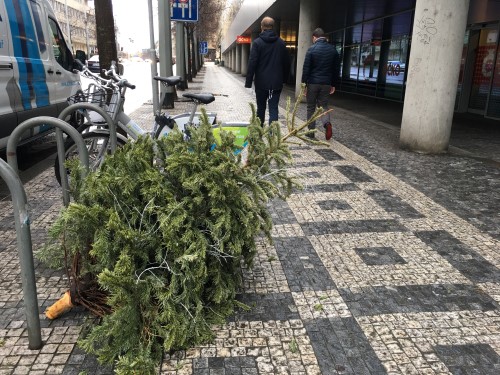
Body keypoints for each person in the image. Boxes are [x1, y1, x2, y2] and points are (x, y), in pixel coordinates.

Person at [245, 17, 290, 126]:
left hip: (261, 83)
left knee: (261, 108)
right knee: (274, 108)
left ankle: (259, 132)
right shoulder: (281, 43)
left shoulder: (257, 43)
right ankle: (273, 135)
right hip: (276, 83)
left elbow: (252, 63)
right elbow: (287, 63)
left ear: (262, 27)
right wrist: (284, 80)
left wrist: (248, 82)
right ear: (272, 27)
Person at [301, 28, 340, 140]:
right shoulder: (333, 50)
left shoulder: (311, 49)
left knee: (310, 107)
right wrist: (333, 84)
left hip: (313, 83)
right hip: (326, 83)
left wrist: (304, 85)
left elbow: (306, 69)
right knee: (323, 106)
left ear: (314, 37)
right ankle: (327, 124)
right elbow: (336, 69)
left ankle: (311, 132)